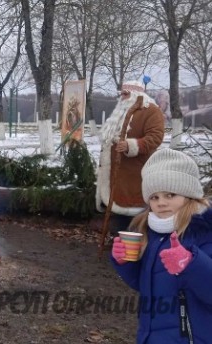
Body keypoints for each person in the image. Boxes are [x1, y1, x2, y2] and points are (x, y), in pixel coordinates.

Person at [111, 148, 212, 343]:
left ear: (188, 194)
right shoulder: (152, 233)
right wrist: (125, 262)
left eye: (170, 194)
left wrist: (191, 265)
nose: (161, 203)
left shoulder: (204, 232)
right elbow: (147, 284)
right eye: (154, 197)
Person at [96, 80, 165, 233]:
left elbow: (155, 137)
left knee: (136, 221)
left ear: (136, 94)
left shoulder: (151, 111)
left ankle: (137, 251)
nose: (122, 97)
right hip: (117, 176)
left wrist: (131, 145)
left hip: (136, 175)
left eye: (126, 94)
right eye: (122, 93)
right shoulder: (120, 111)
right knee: (119, 221)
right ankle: (119, 250)